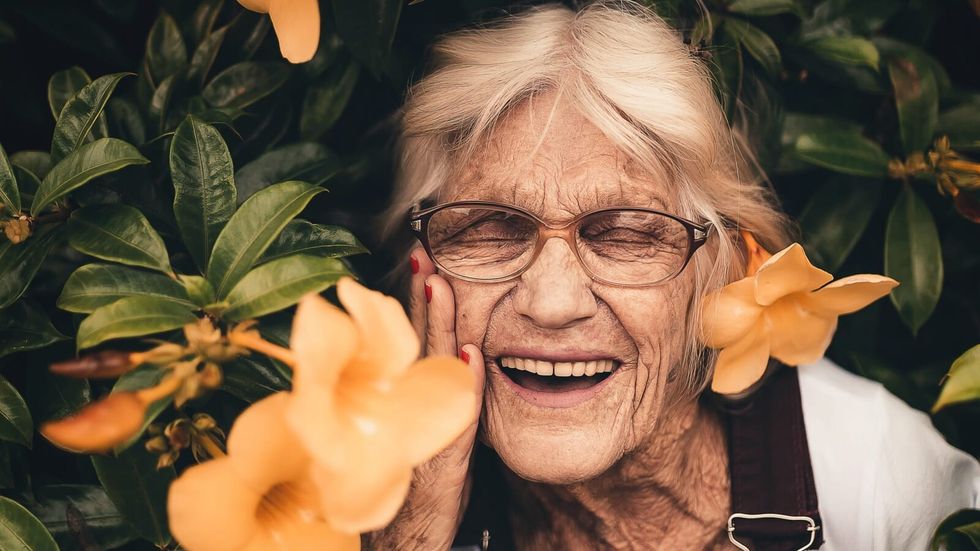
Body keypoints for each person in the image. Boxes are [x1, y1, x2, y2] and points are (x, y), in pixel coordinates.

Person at [368, 2, 980, 549]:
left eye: (626, 233)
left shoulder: (881, 478)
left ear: (721, 269)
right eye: (492, 228)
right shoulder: (348, 493)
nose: (551, 302)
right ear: (420, 265)